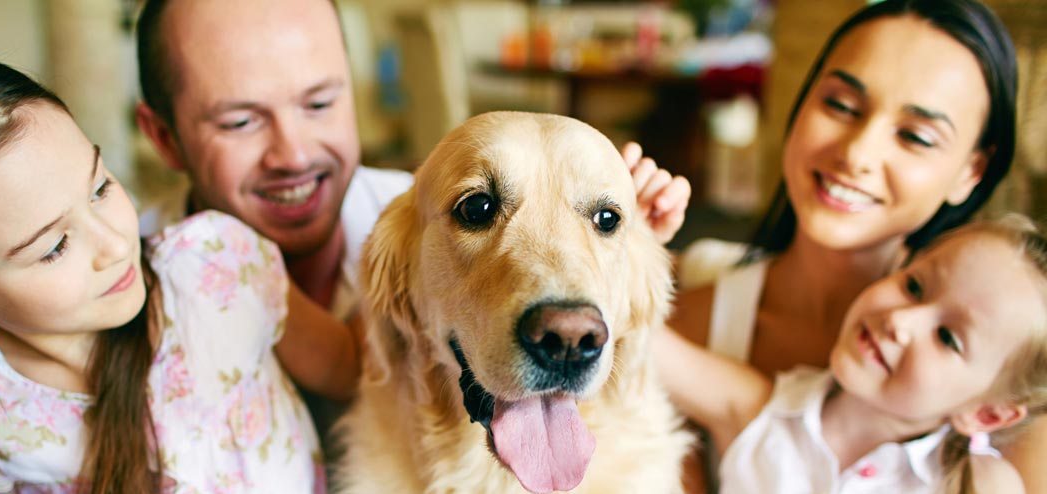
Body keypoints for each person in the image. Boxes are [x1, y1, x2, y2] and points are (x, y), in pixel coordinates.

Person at [131, 0, 692, 442]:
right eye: (240, 121)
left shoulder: (417, 208)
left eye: (320, 104)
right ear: (163, 138)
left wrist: (618, 246)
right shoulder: (115, 290)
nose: (294, 154)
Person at [0, 44, 359, 493]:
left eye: (101, 188)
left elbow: (356, 369)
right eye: (53, 247)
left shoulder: (218, 266)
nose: (115, 244)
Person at [661, 0, 1044, 488]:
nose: (858, 153)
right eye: (841, 105)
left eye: (916, 137)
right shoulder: (700, 326)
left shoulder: (1010, 406)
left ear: (973, 171)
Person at [658, 215, 1045, 493]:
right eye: (914, 286)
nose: (900, 321)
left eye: (947, 337)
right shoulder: (757, 410)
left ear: (986, 413)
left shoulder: (981, 483)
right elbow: (645, 341)